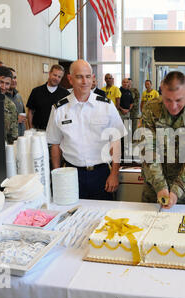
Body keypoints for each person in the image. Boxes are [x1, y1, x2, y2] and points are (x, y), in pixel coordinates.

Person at [46, 60, 127, 200]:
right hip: (71, 173)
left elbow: (116, 141)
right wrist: (57, 174)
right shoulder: (59, 109)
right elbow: (55, 144)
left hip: (101, 173)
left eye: (88, 76)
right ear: (70, 79)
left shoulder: (106, 105)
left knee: (104, 217)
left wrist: (114, 173)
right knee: (72, 216)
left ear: (93, 78)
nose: (84, 81)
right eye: (79, 77)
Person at [140, 71, 185, 209]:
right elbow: (148, 150)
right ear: (161, 91)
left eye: (178, 100)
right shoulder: (151, 108)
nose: (173, 106)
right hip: (154, 190)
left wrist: (177, 189)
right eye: (167, 100)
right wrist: (160, 185)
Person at [27, 64, 70, 130]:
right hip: (39, 131)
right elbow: (30, 112)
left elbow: (67, 113)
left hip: (58, 131)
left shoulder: (65, 94)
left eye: (59, 77)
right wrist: (31, 129)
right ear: (49, 73)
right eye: (55, 75)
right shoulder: (36, 91)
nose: (56, 78)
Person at [0, 66, 18, 144]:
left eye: (7, 84)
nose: (3, 87)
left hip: (3, 149)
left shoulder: (10, 106)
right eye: (0, 82)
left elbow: (13, 136)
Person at [6, 67, 26, 136]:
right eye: (11, 78)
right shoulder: (1, 98)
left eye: (15, 77)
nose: (14, 80)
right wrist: (15, 119)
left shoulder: (18, 96)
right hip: (8, 140)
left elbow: (23, 115)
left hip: (21, 138)